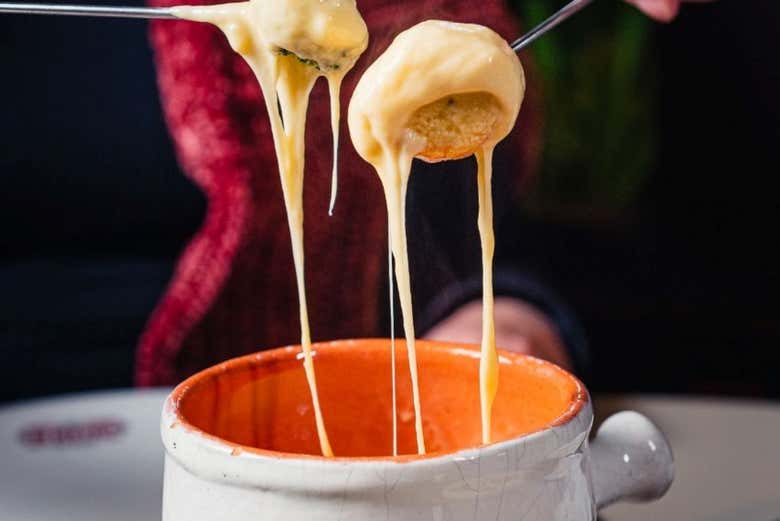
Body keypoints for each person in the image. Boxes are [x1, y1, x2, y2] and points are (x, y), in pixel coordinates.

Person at [135, 0, 700, 386]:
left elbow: (509, 221)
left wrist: (510, 310)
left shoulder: (462, 34)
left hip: (427, 412)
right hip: (116, 416)